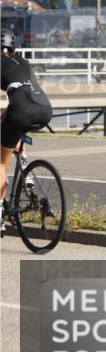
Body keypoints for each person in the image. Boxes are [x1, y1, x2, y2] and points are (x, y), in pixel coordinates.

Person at [1, 29, 53, 234]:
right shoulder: (23, 61)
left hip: (21, 110)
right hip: (44, 109)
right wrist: (8, 111)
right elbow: (24, 90)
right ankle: (26, 170)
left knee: (0, 161)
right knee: (15, 130)